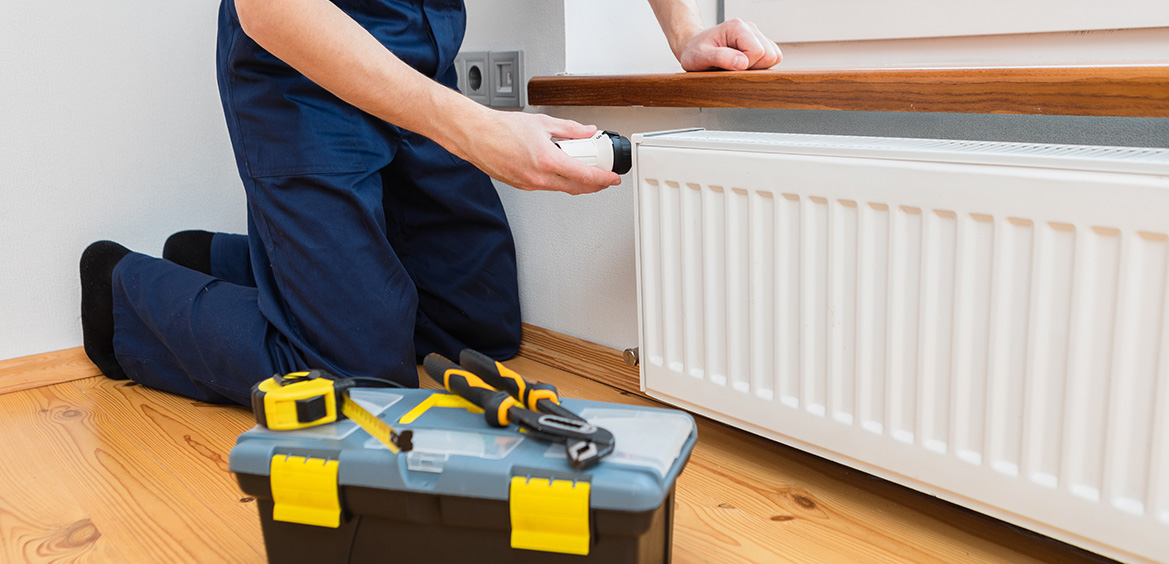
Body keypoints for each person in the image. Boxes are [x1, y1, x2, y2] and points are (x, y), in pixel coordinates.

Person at [79, 0, 781, 405]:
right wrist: (478, 132)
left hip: (418, 62)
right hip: (298, 67)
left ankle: (238, 263)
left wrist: (685, 31)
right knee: (354, 375)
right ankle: (123, 298)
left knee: (480, 328)